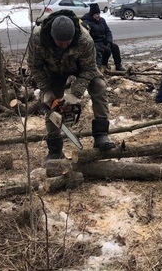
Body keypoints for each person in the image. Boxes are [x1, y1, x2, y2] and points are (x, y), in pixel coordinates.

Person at [27, 9, 116, 160]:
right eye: (60, 43)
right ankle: (55, 149)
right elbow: (35, 67)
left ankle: (101, 135)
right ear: (52, 36)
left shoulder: (84, 39)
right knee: (50, 102)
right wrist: (46, 90)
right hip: (53, 70)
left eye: (67, 42)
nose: (64, 45)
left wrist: (75, 93)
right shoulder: (38, 39)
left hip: (80, 68)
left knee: (99, 86)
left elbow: (89, 69)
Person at [81, 3, 125, 72]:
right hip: (95, 43)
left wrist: (109, 41)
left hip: (104, 41)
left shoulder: (102, 20)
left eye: (99, 14)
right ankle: (103, 65)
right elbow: (87, 37)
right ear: (92, 14)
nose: (98, 16)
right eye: (96, 14)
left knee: (115, 47)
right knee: (107, 50)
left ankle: (118, 65)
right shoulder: (86, 23)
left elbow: (108, 31)